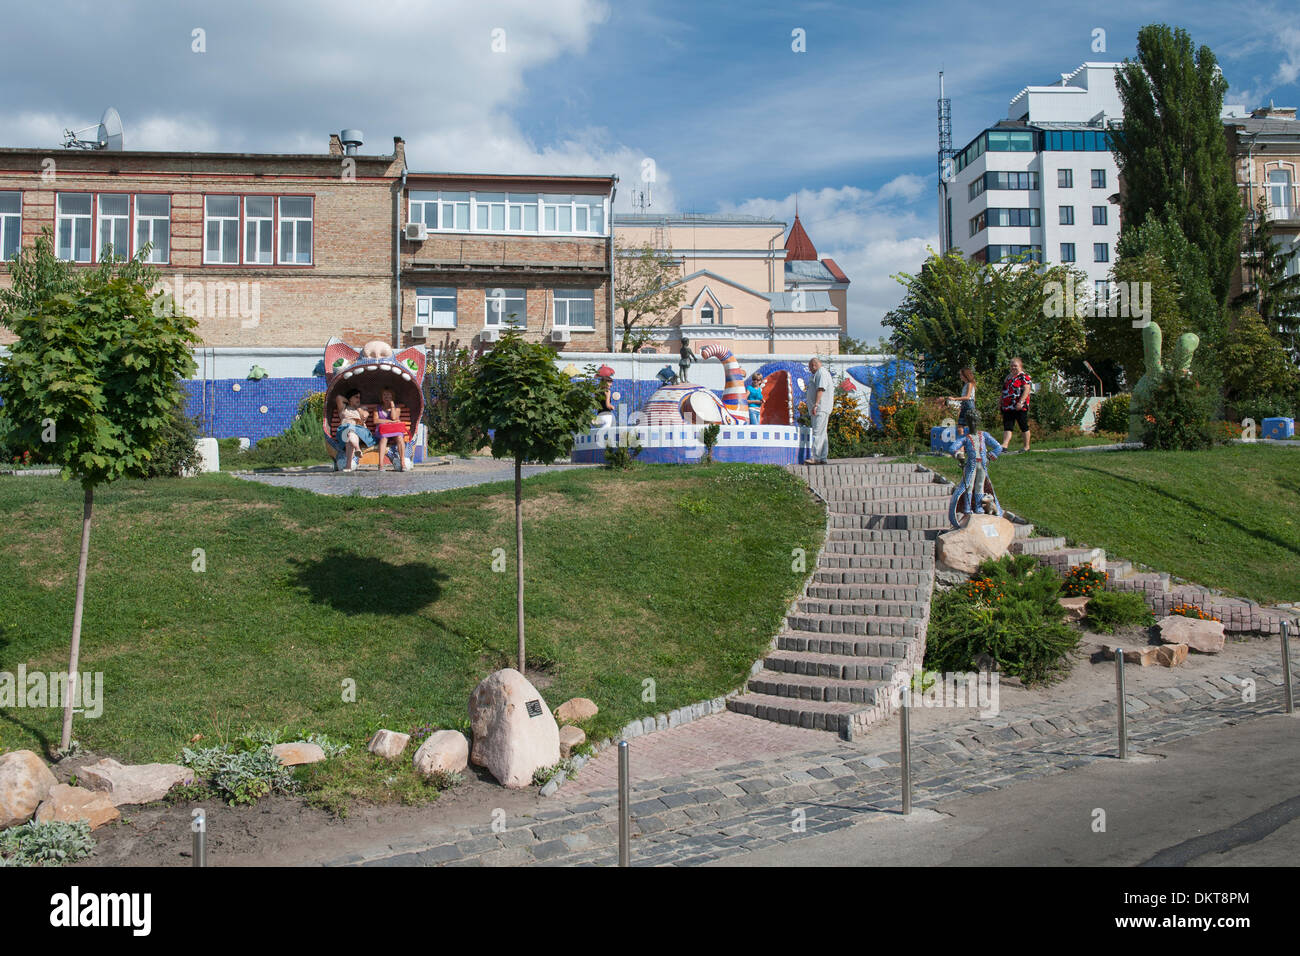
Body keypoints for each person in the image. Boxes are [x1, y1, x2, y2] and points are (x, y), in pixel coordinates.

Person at [954, 409, 1004, 520]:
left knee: (980, 485)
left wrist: (990, 457)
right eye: (970, 421)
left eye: (975, 421)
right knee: (969, 485)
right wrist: (958, 455)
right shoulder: (965, 438)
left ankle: (978, 507)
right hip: (971, 464)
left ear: (978, 422)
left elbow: (998, 447)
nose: (973, 424)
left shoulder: (984, 435)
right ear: (968, 422)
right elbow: (952, 447)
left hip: (982, 464)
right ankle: (967, 507)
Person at [335, 389, 374, 472]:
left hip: (360, 432)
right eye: (356, 397)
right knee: (349, 433)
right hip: (344, 431)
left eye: (359, 398)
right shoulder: (343, 408)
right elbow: (338, 397)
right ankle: (357, 449)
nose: (358, 399)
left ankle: (348, 466)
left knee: (351, 432)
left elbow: (364, 416)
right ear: (350, 398)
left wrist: (358, 408)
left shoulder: (362, 408)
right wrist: (349, 402)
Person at [1000, 356, 1032, 453]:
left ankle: (1026, 446)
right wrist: (1000, 401)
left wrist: (1021, 402)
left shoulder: (1023, 377)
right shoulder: (1008, 377)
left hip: (1019, 405)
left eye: (1015, 366)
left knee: (1023, 425)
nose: (1013, 368)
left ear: (1020, 366)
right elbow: (1004, 390)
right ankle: (1004, 445)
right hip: (1008, 405)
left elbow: (1027, 389)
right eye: (1012, 366)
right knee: (1008, 425)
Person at [373, 388, 409, 472]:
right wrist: (389, 421)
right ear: (381, 397)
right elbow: (376, 420)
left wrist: (392, 406)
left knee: (400, 437)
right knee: (384, 438)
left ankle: (402, 463)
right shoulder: (377, 408)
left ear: (392, 397)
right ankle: (381, 464)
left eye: (389, 395)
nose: (386, 397)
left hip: (394, 430)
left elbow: (394, 417)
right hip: (382, 430)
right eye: (384, 395)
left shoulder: (397, 408)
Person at [807, 357, 833, 464]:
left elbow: (820, 389)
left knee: (817, 432)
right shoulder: (820, 373)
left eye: (810, 367)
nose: (810, 370)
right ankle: (823, 457)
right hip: (822, 408)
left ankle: (816, 457)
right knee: (823, 434)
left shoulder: (821, 373)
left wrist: (816, 404)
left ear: (814, 365)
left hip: (820, 407)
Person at [949, 367, 977, 436]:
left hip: (968, 405)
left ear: (965, 375)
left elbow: (967, 397)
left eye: (961, 375)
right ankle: (964, 443)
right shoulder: (966, 385)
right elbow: (974, 399)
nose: (960, 376)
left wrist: (954, 399)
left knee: (963, 426)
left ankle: (965, 443)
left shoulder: (969, 384)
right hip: (967, 405)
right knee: (962, 426)